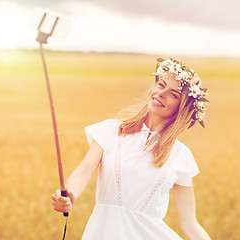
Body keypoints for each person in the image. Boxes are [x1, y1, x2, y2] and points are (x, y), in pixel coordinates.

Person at [51, 57, 211, 239]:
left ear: (181, 109)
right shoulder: (111, 130)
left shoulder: (181, 156)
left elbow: (190, 223)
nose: (161, 93)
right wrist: (70, 195)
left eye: (173, 94)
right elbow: (84, 170)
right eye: (161, 85)